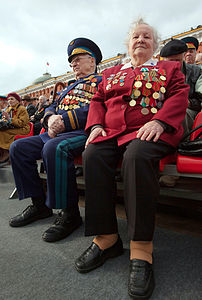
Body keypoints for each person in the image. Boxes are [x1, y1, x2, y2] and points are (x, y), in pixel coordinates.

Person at [74, 18, 189, 299]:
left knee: (137, 156)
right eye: (136, 36)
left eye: (147, 37)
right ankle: (106, 238)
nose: (141, 40)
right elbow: (98, 101)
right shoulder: (111, 72)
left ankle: (141, 249)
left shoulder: (170, 68)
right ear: (128, 44)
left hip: (151, 130)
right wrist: (96, 125)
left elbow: (179, 95)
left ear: (155, 45)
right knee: (92, 154)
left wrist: (161, 122)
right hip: (112, 131)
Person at [9, 38, 102, 243]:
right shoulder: (68, 87)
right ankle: (39, 205)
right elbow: (52, 106)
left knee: (54, 148)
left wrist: (64, 121)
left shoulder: (102, 81)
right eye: (72, 62)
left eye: (78, 59)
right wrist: (50, 118)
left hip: (81, 132)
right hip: (54, 131)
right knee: (18, 147)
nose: (73, 64)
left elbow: (99, 109)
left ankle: (70, 213)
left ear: (92, 60)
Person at [160, 39, 202, 136]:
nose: (175, 64)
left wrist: (189, 103)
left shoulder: (196, 72)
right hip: (164, 110)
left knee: (181, 114)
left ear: (182, 57)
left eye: (178, 60)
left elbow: (200, 99)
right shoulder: (157, 73)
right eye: (171, 61)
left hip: (188, 111)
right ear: (164, 61)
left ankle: (183, 146)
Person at [0, 93, 30, 164]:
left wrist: (10, 119)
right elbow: (5, 120)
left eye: (12, 99)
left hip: (23, 129)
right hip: (13, 127)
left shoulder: (22, 109)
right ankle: (2, 152)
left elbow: (21, 123)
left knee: (3, 133)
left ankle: (6, 152)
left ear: (17, 101)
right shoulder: (8, 109)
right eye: (9, 99)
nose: (10, 101)